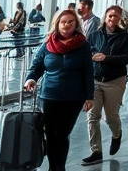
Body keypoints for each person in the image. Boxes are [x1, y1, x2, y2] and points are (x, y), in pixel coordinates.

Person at [24, 10, 94, 171]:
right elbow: (36, 66)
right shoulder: (48, 44)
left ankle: (58, 168)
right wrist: (31, 78)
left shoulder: (83, 45)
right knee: (50, 134)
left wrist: (89, 96)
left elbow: (88, 72)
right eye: (63, 22)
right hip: (49, 95)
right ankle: (53, 167)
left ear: (76, 24)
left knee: (62, 134)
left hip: (73, 98)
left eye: (70, 21)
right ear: (57, 24)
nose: (66, 25)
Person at [82, 6, 128, 166]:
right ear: (105, 17)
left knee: (111, 116)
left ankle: (116, 134)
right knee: (92, 115)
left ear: (120, 19)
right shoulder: (95, 35)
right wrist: (92, 56)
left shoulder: (125, 37)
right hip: (95, 80)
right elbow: (87, 52)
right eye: (110, 16)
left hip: (115, 81)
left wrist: (106, 58)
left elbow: (127, 58)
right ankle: (96, 151)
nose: (112, 20)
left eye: (115, 17)